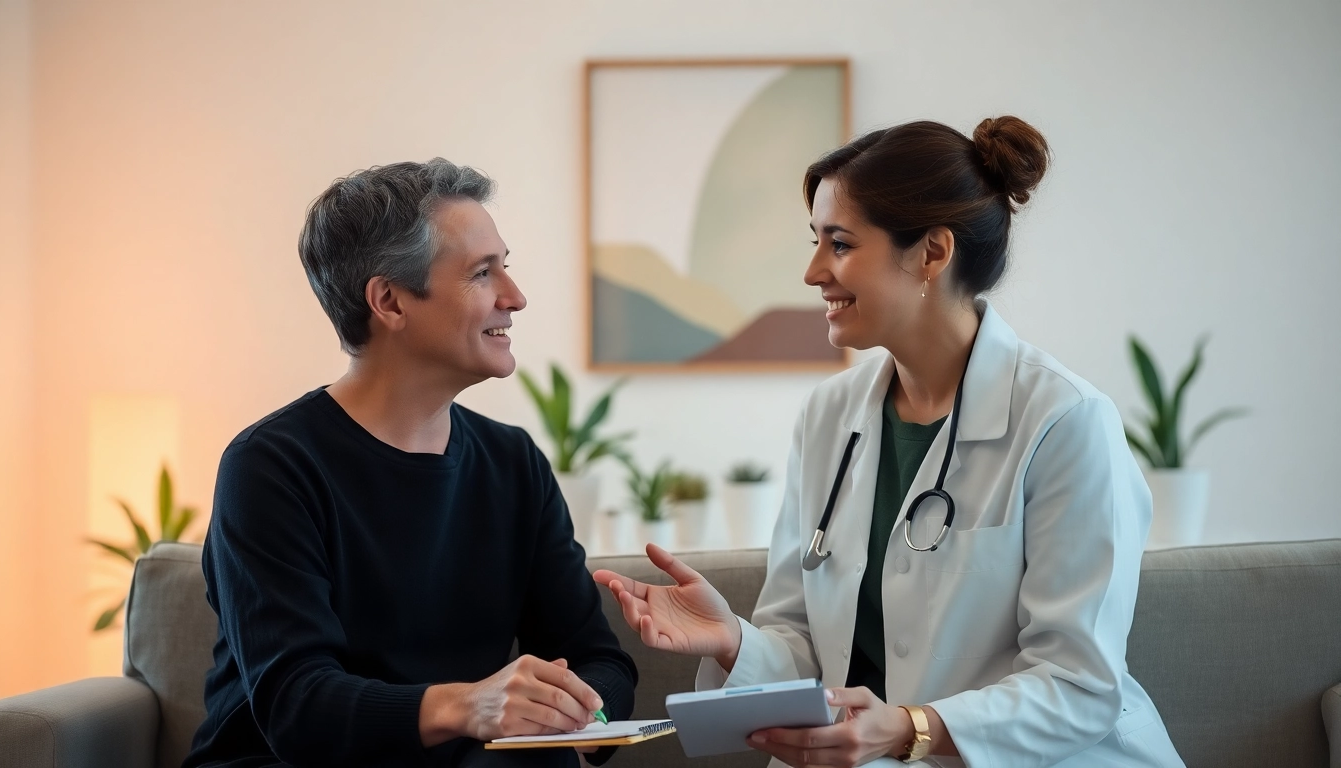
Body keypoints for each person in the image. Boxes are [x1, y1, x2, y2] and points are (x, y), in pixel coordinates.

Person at [594, 118, 1183, 767]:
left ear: (932, 252)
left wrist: (909, 728)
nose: (813, 271)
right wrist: (733, 639)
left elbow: (1078, 685)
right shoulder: (829, 416)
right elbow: (803, 645)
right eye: (816, 242)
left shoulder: (1065, 421)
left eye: (840, 244)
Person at [185, 159, 636, 768]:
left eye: (505, 266)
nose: (515, 297)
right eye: (483, 273)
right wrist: (470, 706)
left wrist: (577, 720)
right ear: (390, 301)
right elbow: (298, 704)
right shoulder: (269, 467)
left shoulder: (514, 463)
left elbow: (599, 661)